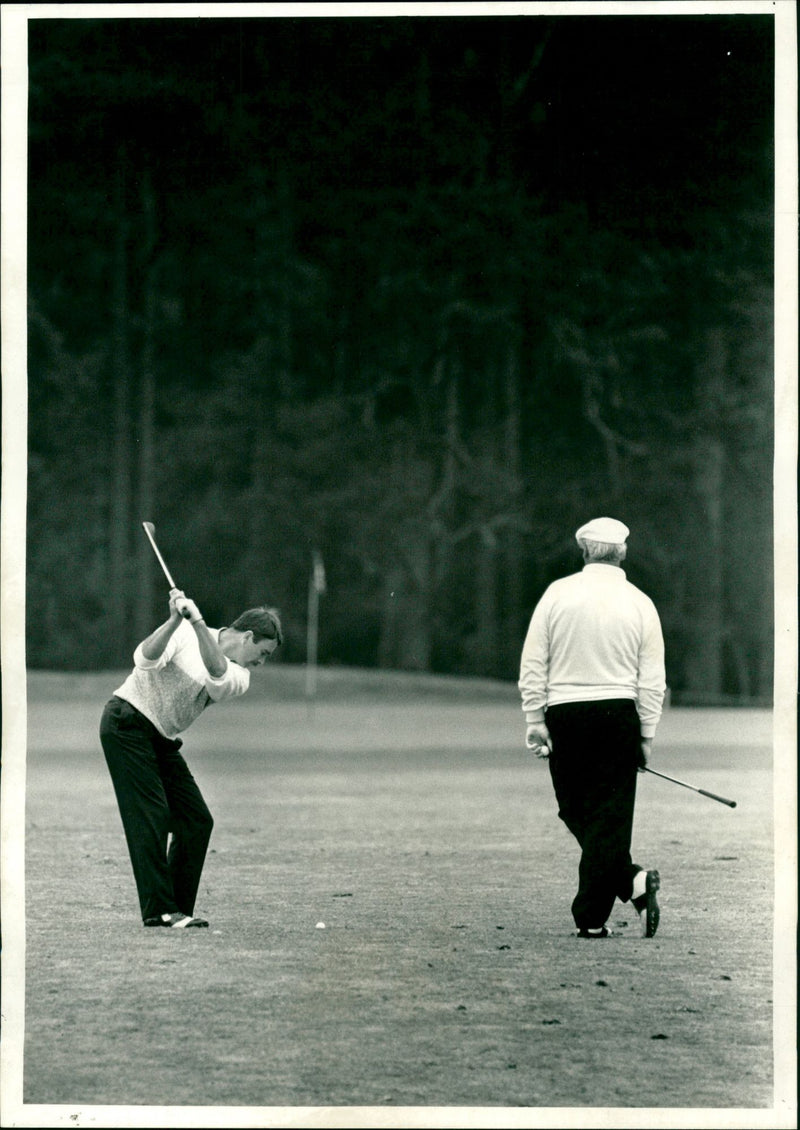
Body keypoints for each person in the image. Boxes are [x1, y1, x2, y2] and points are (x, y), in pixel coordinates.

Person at [518, 517, 666, 939]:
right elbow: (652, 679)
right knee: (605, 817)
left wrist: (534, 718)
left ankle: (591, 917)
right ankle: (632, 883)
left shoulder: (556, 594)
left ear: (584, 552)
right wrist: (646, 734)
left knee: (581, 810)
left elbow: (534, 663)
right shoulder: (640, 602)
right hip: (617, 717)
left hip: (566, 716)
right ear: (622, 553)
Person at [100, 588, 283, 928]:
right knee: (151, 814)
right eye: (263, 652)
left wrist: (197, 622)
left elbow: (216, 673)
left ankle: (178, 909)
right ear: (247, 636)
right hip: (126, 722)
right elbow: (143, 659)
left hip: (160, 737)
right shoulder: (182, 632)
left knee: (196, 820)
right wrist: (173, 621)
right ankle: (161, 910)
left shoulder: (240, 677)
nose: (262, 662)